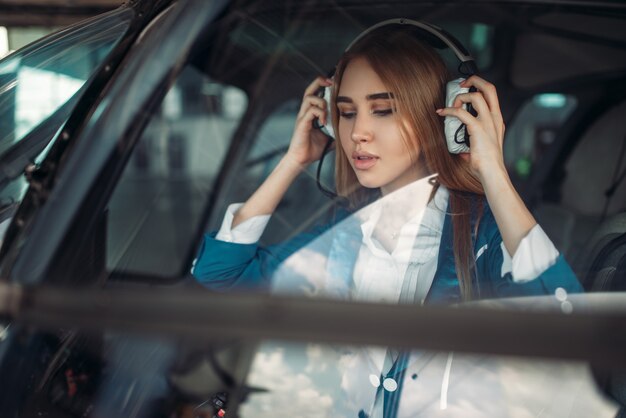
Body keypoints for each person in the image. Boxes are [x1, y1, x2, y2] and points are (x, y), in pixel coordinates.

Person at [192, 26, 582, 305]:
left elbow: (564, 320)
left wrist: (492, 170)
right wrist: (294, 159)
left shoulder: (483, 234)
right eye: (345, 113)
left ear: (442, 117)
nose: (358, 132)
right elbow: (220, 275)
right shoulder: (341, 232)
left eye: (383, 111)